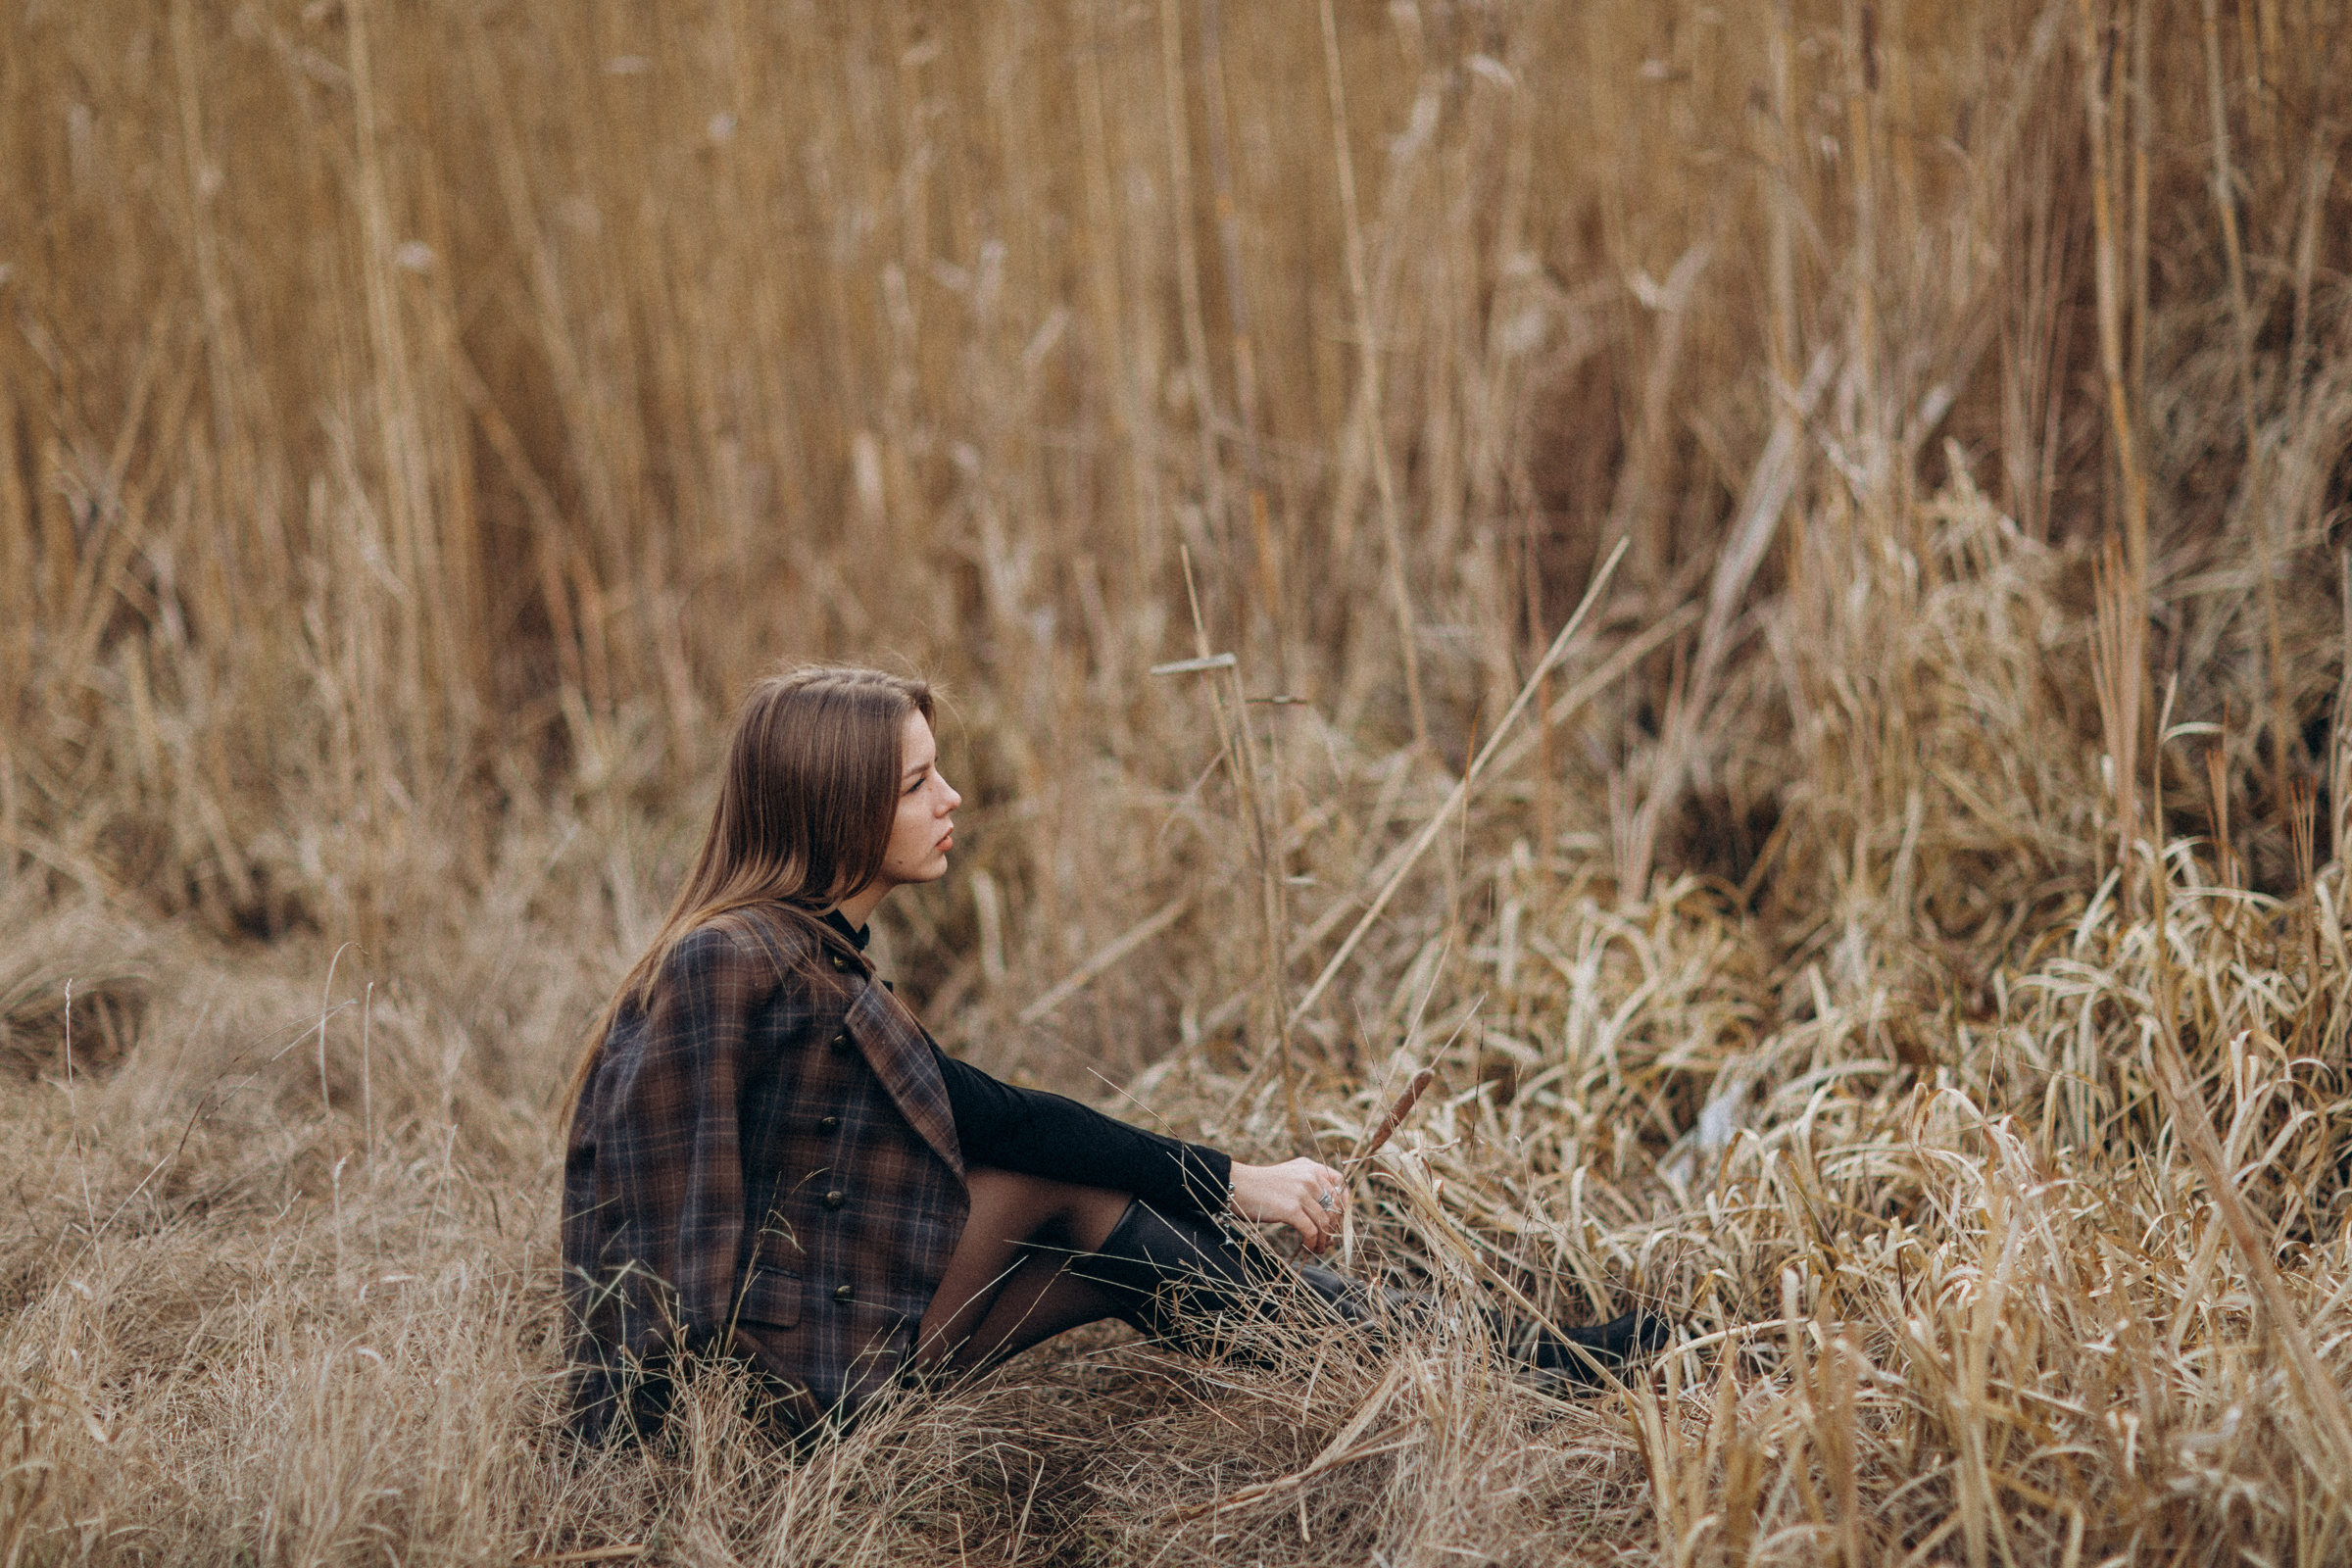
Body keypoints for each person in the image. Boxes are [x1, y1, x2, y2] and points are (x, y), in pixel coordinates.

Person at [561, 665, 1660, 1443]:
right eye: (913, 784)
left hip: (819, 1342)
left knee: (1110, 1243)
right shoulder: (726, 964)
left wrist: (1231, 1188)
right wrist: (660, 1448)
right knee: (1066, 1190)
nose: (950, 801)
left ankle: (1505, 1363)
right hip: (768, 1401)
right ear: (836, 805)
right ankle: (1521, 1367)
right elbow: (658, 1225)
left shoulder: (803, 952)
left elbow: (979, 1112)